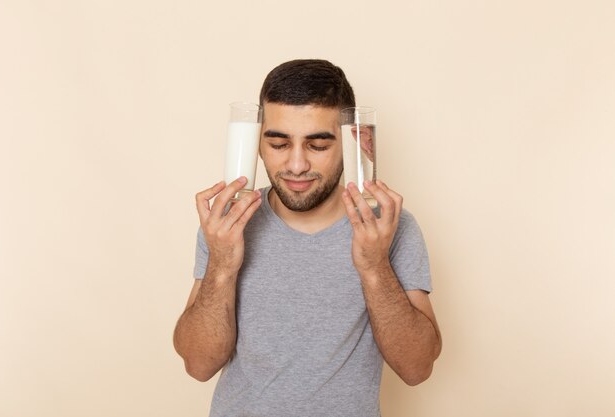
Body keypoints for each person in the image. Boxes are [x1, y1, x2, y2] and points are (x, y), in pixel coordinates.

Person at [173, 59, 442, 417]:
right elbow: (198, 364)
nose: (297, 165)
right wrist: (222, 264)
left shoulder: (392, 226)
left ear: (350, 141)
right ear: (257, 143)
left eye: (317, 145)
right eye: (279, 143)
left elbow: (417, 368)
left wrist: (375, 266)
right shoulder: (227, 224)